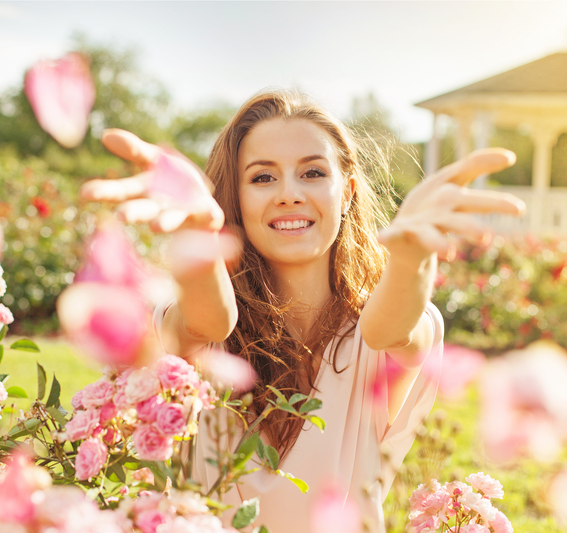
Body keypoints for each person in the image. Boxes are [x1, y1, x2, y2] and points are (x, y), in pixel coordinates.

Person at [81, 89, 523, 533]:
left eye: (312, 172)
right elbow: (210, 321)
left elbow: (388, 329)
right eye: (262, 178)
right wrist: (201, 234)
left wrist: (410, 262)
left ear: (347, 192)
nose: (290, 194)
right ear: (234, 197)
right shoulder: (193, 317)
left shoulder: (392, 328)